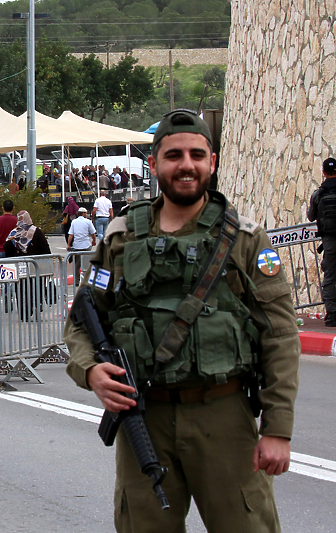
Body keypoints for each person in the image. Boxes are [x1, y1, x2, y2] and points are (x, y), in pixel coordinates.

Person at [64, 109, 300, 532]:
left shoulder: (245, 239)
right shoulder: (120, 238)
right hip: (145, 417)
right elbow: (82, 319)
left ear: (212, 161)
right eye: (173, 155)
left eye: (196, 154)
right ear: (153, 164)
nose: (186, 165)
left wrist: (277, 427)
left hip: (224, 416)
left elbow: (280, 336)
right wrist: (91, 370)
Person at [3, 210, 51, 321]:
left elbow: (6, 249)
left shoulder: (14, 233)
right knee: (35, 288)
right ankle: (35, 305)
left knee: (20, 290)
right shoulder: (36, 231)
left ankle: (23, 312)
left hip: (19, 268)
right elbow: (45, 249)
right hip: (35, 267)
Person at [307, 157, 336, 326]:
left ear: (323, 172)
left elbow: (311, 216)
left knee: (330, 276)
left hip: (330, 241)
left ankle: (332, 314)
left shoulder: (319, 194)